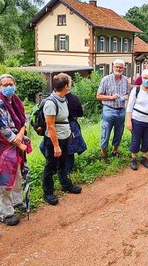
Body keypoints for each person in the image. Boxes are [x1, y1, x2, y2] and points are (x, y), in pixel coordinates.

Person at [0, 74, 30, 227]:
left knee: (18, 174)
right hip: (4, 145)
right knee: (4, 179)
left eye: (10, 84)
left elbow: (23, 121)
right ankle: (4, 213)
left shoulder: (16, 101)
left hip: (17, 142)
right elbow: (2, 128)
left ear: (15, 85)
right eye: (4, 85)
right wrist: (18, 143)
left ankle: (17, 201)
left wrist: (20, 135)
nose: (8, 87)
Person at [41, 73, 82, 204]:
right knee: (51, 165)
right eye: (69, 83)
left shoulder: (63, 98)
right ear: (65, 86)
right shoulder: (51, 103)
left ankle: (66, 184)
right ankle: (48, 192)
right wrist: (56, 145)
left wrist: (68, 132)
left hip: (64, 136)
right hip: (54, 139)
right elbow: (50, 126)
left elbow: (64, 119)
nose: (70, 85)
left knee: (63, 163)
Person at [126, 69, 148, 170]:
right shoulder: (136, 91)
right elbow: (129, 107)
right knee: (136, 140)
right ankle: (133, 159)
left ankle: (144, 157)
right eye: (145, 78)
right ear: (142, 78)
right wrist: (128, 121)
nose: (147, 80)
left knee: (147, 140)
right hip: (137, 120)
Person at [96, 59, 129, 162]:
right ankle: (103, 154)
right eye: (116, 67)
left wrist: (126, 97)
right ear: (113, 67)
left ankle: (115, 151)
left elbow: (128, 93)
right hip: (109, 110)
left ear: (123, 68)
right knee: (105, 133)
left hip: (121, 110)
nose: (118, 69)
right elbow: (98, 96)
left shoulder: (125, 80)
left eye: (120, 67)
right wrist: (111, 97)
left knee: (119, 133)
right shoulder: (106, 79)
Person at [65, 91, 87, 176]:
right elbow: (80, 113)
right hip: (72, 124)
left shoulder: (53, 99)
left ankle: (60, 171)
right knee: (70, 151)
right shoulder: (74, 98)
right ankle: (68, 172)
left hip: (56, 126)